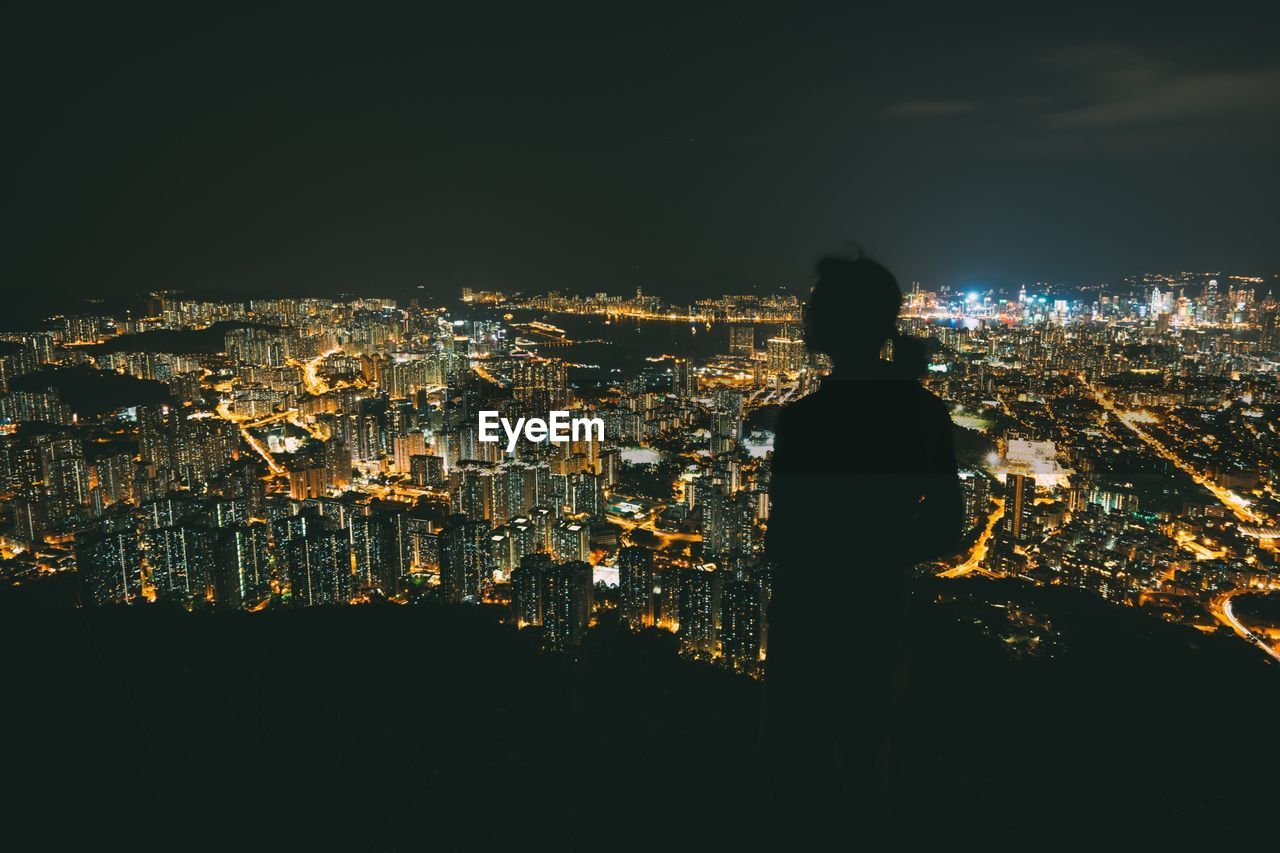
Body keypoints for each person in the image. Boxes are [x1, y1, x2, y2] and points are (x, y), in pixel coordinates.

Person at [760, 252, 963, 846]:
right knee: (865, 778)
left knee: (793, 781)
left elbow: (784, 538)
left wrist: (837, 552)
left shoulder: (804, 422)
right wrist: (877, 553)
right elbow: (945, 525)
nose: (805, 313)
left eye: (817, 304)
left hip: (804, 626)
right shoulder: (923, 413)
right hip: (877, 624)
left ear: (845, 322)